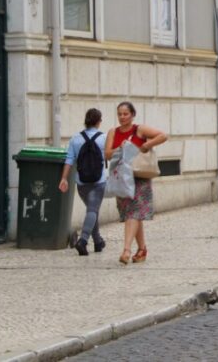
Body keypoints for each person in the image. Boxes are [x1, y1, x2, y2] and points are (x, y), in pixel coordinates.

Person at [104, 101, 168, 265]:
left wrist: (145, 145)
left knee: (133, 213)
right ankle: (142, 249)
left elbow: (163, 135)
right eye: (119, 114)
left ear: (132, 115)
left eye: (125, 114)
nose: (122, 117)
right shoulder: (113, 132)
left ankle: (126, 250)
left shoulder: (139, 129)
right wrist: (122, 148)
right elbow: (107, 154)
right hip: (122, 177)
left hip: (140, 176)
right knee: (132, 213)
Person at [58, 108, 107, 256]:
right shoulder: (104, 138)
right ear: (99, 121)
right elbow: (111, 155)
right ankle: (83, 241)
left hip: (81, 182)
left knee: (92, 210)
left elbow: (69, 160)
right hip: (99, 181)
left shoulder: (75, 139)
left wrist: (64, 178)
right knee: (92, 210)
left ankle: (98, 241)